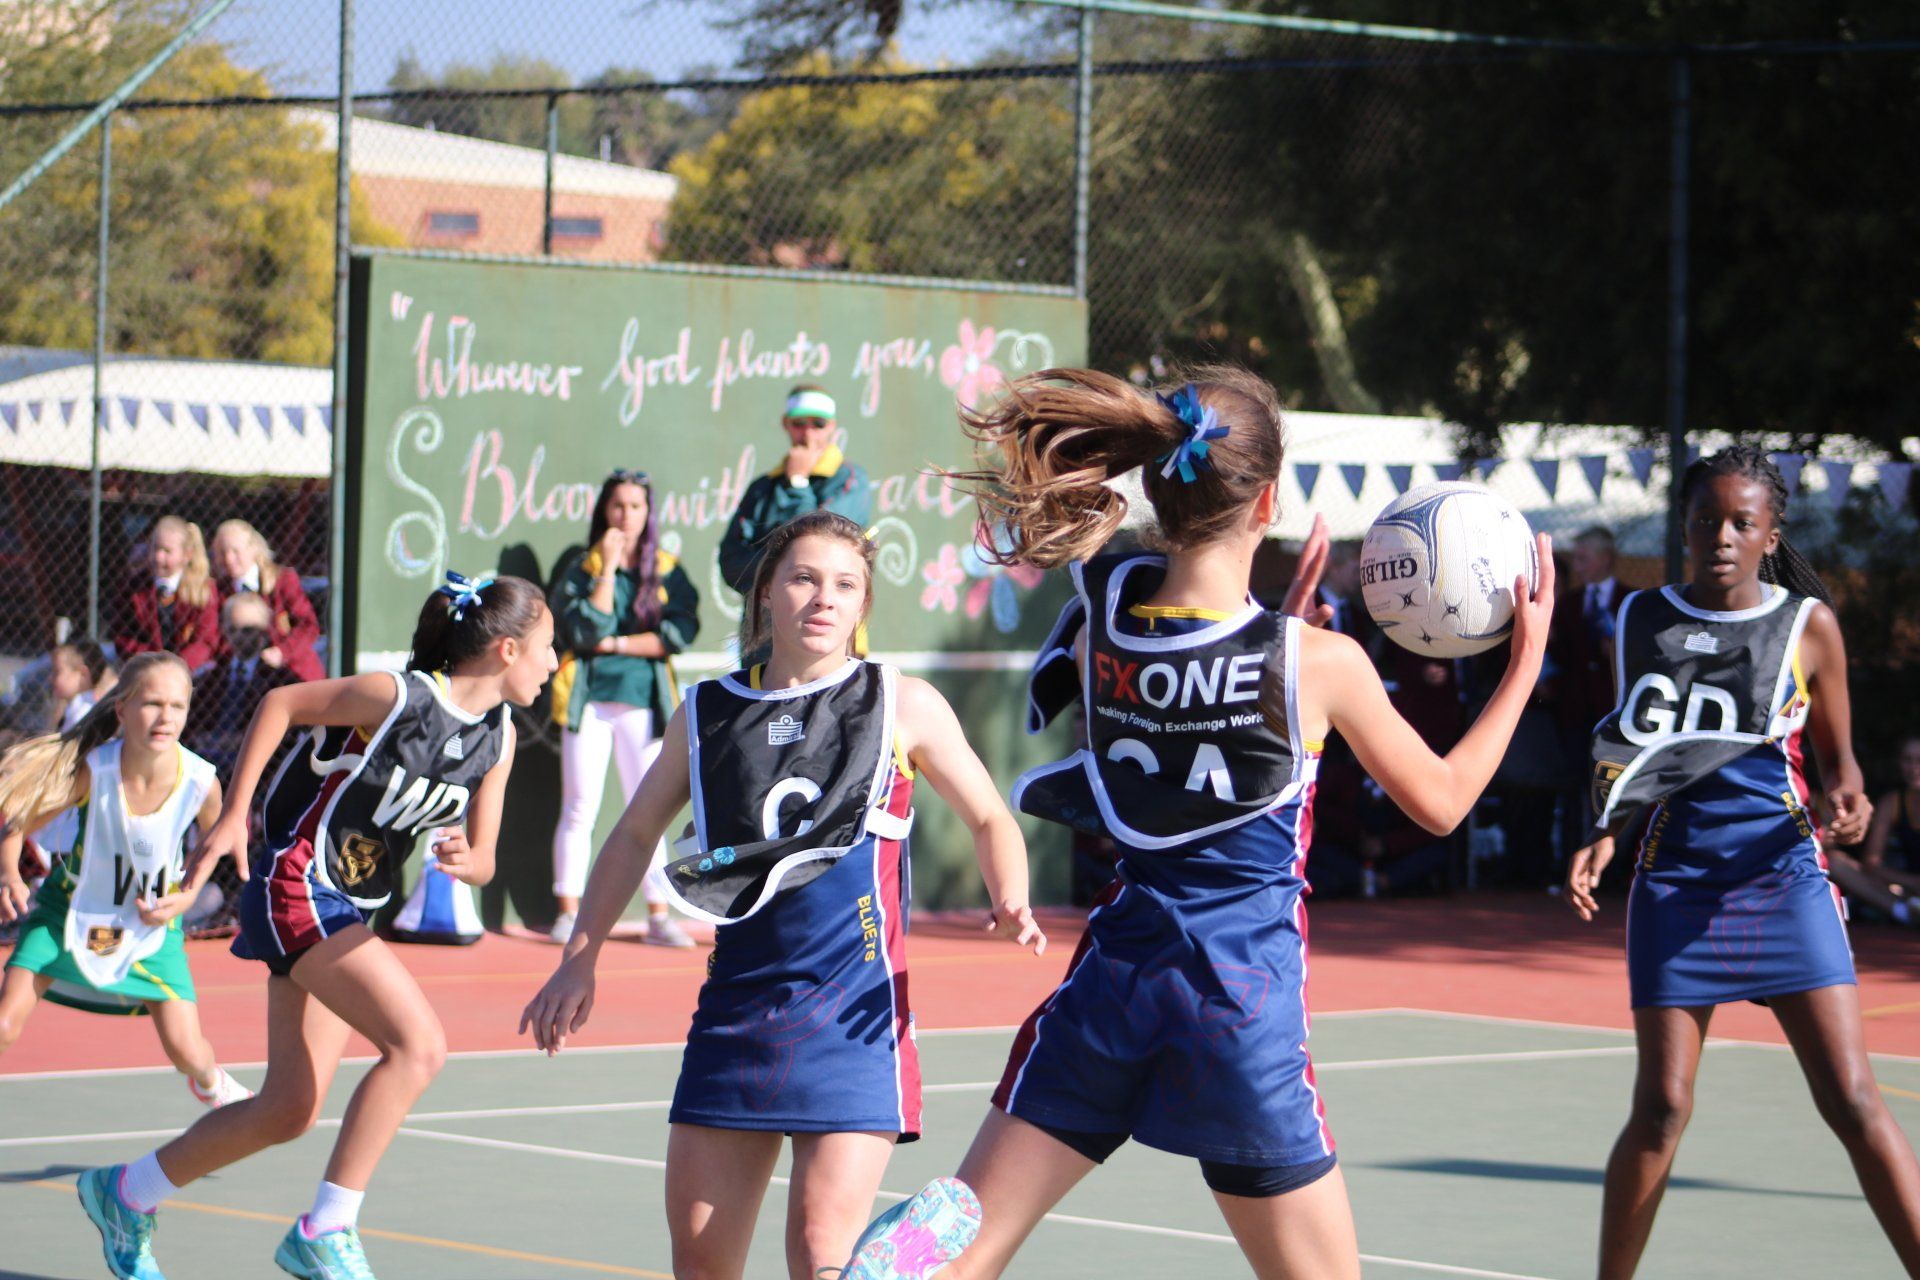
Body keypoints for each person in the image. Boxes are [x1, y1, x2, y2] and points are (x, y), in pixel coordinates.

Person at [840, 366, 1554, 1280]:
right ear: (1268, 502)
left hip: (1111, 988)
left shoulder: (1107, 621)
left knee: (963, 1252)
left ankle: (903, 1268)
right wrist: (1523, 660)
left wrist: (1277, 628)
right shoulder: (1318, 663)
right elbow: (1444, 800)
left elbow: (1200, 666)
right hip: (1235, 1004)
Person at [521, 509, 1046, 1280]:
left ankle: (882, 1266)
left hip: (855, 1020)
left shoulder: (899, 703)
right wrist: (579, 957)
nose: (823, 598)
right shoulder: (706, 712)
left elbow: (990, 815)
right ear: (766, 591)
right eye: (803, 578)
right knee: (701, 1261)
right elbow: (633, 836)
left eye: (845, 585)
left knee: (820, 1252)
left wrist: (1011, 894)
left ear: (863, 605)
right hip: (738, 1013)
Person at [73, 573, 554, 1280]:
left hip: (351, 905)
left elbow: (483, 857)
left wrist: (468, 860)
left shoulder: (500, 737)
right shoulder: (397, 698)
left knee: (289, 1107)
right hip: (300, 881)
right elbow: (280, 703)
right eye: (548, 649)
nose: (553, 666)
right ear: (508, 649)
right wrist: (236, 813)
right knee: (418, 1046)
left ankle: (126, 1192)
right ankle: (327, 1227)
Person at [1565, 446, 1920, 1278]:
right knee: (1661, 1107)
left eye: (1740, 523)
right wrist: (1608, 829)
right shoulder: (1641, 618)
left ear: (1771, 533)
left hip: (1784, 877)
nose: (1720, 536)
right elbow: (1640, 750)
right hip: (1677, 884)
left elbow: (1841, 762)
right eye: (1704, 521)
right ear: (1683, 528)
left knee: (1854, 1098)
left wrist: (1850, 798)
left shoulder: (1809, 626)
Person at [0, 652, 251, 1106]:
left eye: (178, 706)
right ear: (122, 709)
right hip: (67, 915)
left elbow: (211, 845)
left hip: (151, 928)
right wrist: (9, 874)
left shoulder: (200, 782)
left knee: (188, 1052)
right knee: (4, 1025)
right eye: (153, 703)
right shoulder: (94, 771)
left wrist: (186, 896)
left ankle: (211, 1083)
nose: (165, 717)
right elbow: (19, 817)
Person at [548, 470, 701, 948]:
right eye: (618, 506)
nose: (626, 516)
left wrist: (617, 642)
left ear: (648, 513)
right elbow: (582, 631)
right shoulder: (585, 566)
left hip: (643, 706)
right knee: (579, 807)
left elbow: (677, 633)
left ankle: (658, 917)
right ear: (604, 511)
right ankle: (567, 913)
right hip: (588, 702)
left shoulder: (668, 569)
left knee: (648, 809)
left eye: (636, 507)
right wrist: (608, 569)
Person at [717, 385, 872, 596]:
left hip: (829, 618)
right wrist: (786, 574)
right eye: (799, 424)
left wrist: (797, 482)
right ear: (785, 424)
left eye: (818, 424)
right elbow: (731, 563)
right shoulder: (762, 488)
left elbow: (820, 546)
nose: (808, 434)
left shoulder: (851, 480)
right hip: (763, 623)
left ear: (832, 427)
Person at [185, 593, 302, 776]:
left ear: (264, 631)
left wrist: (238, 741)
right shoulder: (210, 678)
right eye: (232, 629)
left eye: (247, 630)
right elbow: (193, 729)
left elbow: (284, 737)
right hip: (205, 764)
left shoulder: (281, 682)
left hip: (257, 770)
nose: (238, 636)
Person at [209, 519, 324, 681]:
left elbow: (308, 626)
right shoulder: (219, 590)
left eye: (235, 551)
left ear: (253, 549)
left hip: (290, 671)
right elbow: (215, 638)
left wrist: (282, 652)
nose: (228, 559)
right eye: (222, 552)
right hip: (243, 675)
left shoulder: (283, 580)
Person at [1826, 736, 1920, 925]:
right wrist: (1912, 883)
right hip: (1907, 887)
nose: (1913, 768)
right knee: (1835, 861)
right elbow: (1872, 864)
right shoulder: (1892, 802)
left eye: (1919, 760)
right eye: (1907, 760)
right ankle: (1903, 911)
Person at [116, 515, 221, 671]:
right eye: (155, 548)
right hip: (146, 668)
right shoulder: (134, 587)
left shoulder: (203, 590)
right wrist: (154, 662)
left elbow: (205, 641)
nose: (159, 557)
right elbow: (124, 636)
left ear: (187, 555)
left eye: (167, 551)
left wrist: (178, 667)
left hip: (189, 670)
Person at [48, 636, 116, 732]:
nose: (50, 678)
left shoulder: (84, 715)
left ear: (83, 674)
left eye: (57, 672)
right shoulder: (72, 710)